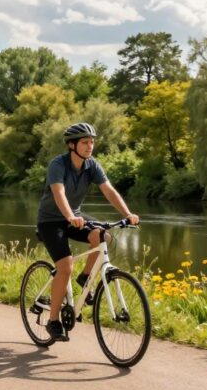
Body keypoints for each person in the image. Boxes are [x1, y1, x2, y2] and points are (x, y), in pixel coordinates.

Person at [35, 122, 139, 341]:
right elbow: (58, 193)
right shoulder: (58, 164)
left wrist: (128, 213)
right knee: (65, 266)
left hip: (75, 218)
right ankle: (53, 321)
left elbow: (109, 191)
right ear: (72, 145)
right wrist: (70, 216)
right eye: (85, 142)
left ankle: (85, 277)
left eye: (91, 142)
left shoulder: (92, 166)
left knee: (104, 235)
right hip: (51, 221)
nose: (90, 146)